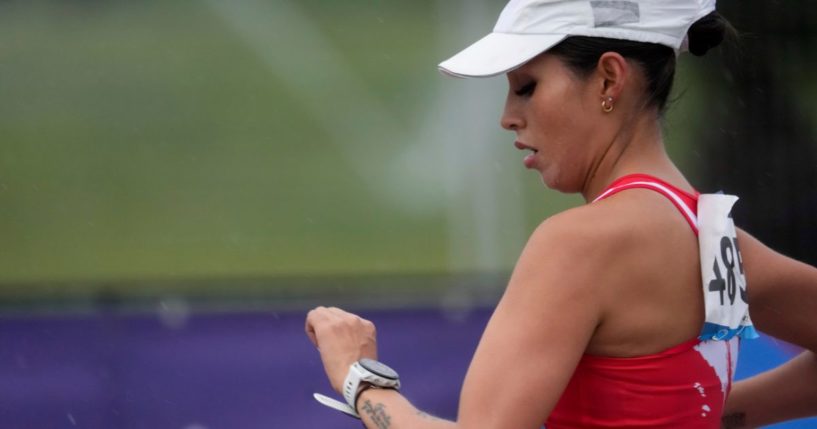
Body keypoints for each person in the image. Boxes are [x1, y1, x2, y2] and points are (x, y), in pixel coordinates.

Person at [305, 1, 817, 427]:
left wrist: (358, 376)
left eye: (527, 87)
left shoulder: (578, 243)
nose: (507, 116)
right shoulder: (715, 237)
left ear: (609, 79)